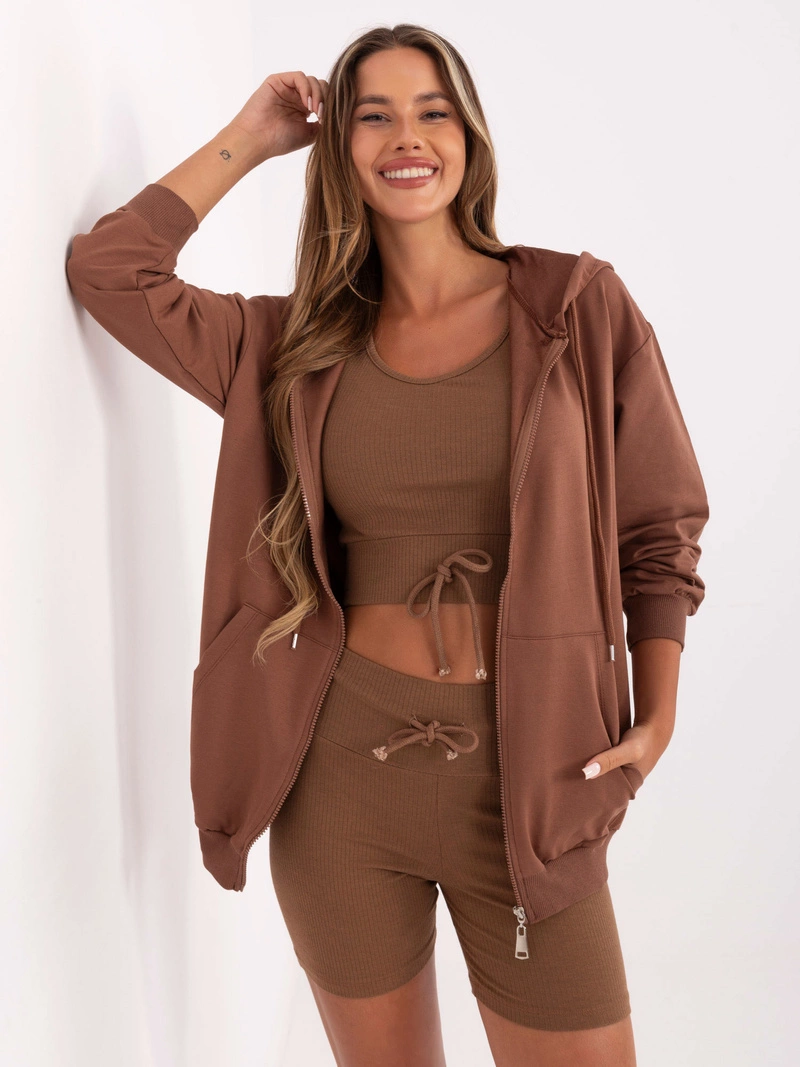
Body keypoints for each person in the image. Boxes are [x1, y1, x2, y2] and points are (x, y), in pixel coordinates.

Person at [66, 23, 709, 1067]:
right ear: (340, 147)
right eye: (373, 116)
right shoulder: (289, 344)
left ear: (469, 137)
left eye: (430, 111)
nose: (405, 137)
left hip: (534, 774)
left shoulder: (574, 307)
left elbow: (659, 522)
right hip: (339, 779)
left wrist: (659, 706)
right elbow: (110, 270)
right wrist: (252, 134)